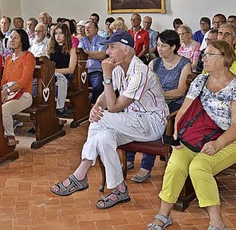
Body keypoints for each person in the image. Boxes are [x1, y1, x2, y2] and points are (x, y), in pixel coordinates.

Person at [146, 40, 236, 230]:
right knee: (175, 164)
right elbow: (183, 111)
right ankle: (164, 214)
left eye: (210, 54)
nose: (203, 58)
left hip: (230, 140)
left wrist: (218, 144)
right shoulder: (200, 80)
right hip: (197, 137)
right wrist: (177, 135)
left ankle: (217, 224)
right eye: (204, 54)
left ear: (225, 59)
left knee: (199, 166)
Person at [50, 31, 168, 209]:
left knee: (101, 119)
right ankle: (120, 188)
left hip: (151, 123)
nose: (107, 52)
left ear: (126, 50)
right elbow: (106, 98)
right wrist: (97, 106)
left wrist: (106, 76)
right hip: (131, 121)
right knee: (103, 138)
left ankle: (81, 172)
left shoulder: (140, 72)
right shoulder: (119, 68)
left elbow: (113, 107)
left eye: (112, 48)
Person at [127, 30, 190, 183]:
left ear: (173, 47)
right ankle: (129, 157)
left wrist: (158, 95)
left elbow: (181, 91)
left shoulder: (184, 63)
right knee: (132, 114)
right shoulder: (153, 63)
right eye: (158, 45)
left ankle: (146, 167)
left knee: (154, 122)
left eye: (163, 46)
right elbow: (143, 85)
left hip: (174, 104)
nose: (159, 49)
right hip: (153, 103)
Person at [1, 29, 35, 146]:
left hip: (24, 94)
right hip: (8, 92)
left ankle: (10, 137)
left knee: (3, 110)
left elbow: (25, 80)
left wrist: (7, 90)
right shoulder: (8, 59)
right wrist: (0, 91)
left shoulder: (28, 57)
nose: (12, 40)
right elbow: (4, 79)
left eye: (16, 38)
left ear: (22, 41)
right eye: (11, 38)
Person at [48, 24, 77, 116]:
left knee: (60, 80)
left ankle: (60, 107)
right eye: (56, 33)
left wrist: (56, 71)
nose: (58, 36)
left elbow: (71, 69)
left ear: (66, 35)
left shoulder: (72, 50)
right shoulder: (51, 49)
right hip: (52, 76)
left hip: (65, 76)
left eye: (61, 33)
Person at [78, 21, 107, 104]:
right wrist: (94, 54)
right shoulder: (83, 40)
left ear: (96, 29)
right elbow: (80, 55)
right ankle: (82, 105)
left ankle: (94, 104)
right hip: (82, 70)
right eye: (85, 28)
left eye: (89, 27)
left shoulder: (102, 40)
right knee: (74, 86)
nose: (86, 29)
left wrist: (86, 53)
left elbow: (102, 55)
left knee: (98, 86)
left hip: (96, 70)